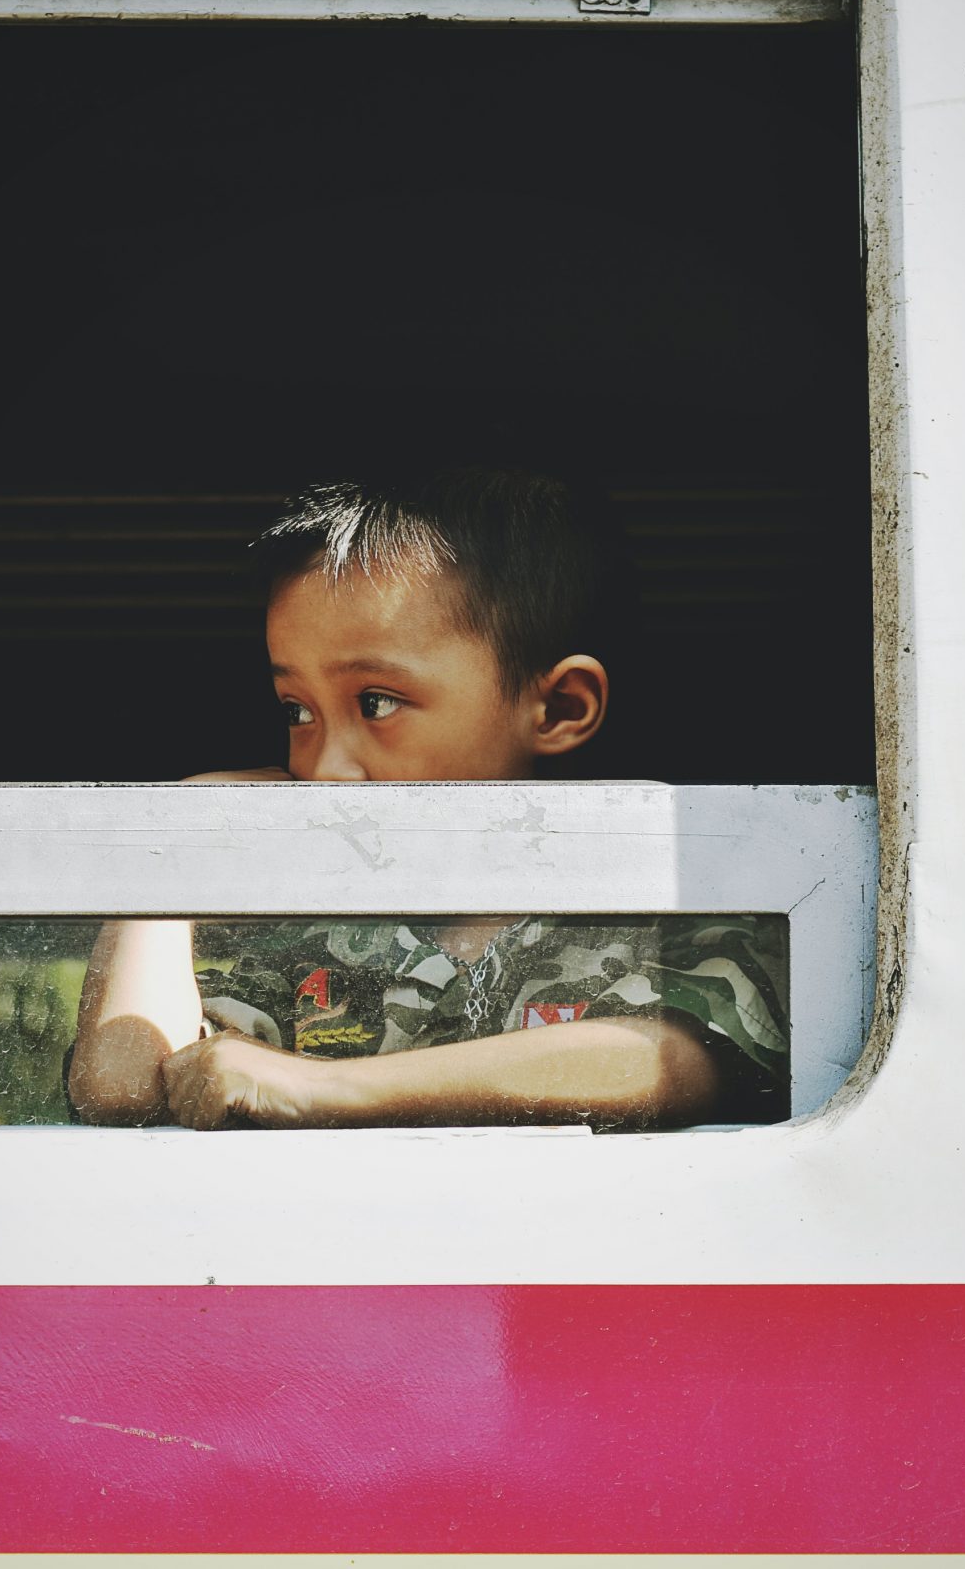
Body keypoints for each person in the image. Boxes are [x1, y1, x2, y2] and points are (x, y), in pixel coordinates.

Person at [64, 471, 787, 1130]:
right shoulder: (283, 931)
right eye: (296, 711)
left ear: (560, 707)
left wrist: (315, 1088)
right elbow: (124, 1090)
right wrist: (171, 843)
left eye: (376, 701)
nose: (326, 769)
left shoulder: (664, 901)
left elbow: (663, 1059)